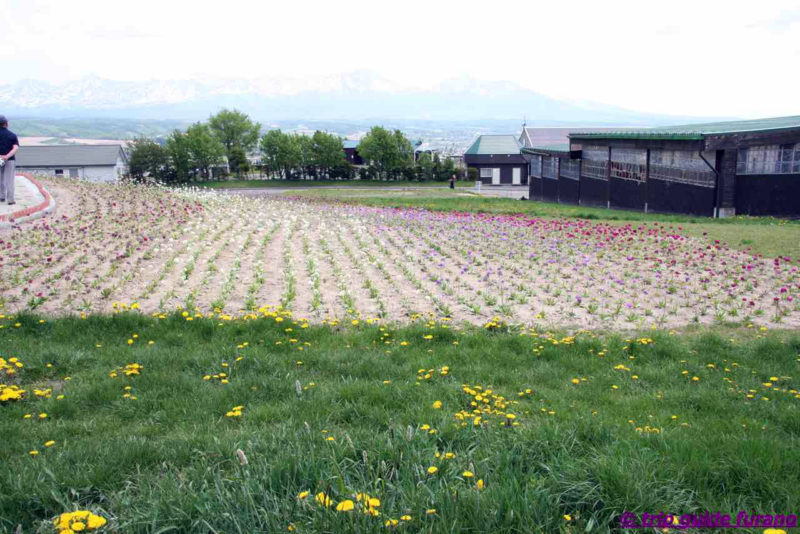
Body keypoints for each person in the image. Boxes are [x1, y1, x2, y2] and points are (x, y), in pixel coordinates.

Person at [0, 115, 20, 205]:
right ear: (6, 124)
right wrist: (7, 156)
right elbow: (15, 148)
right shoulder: (12, 135)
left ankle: (1, 196)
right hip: (10, 160)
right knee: (9, 180)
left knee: (0, 179)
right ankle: (10, 200)